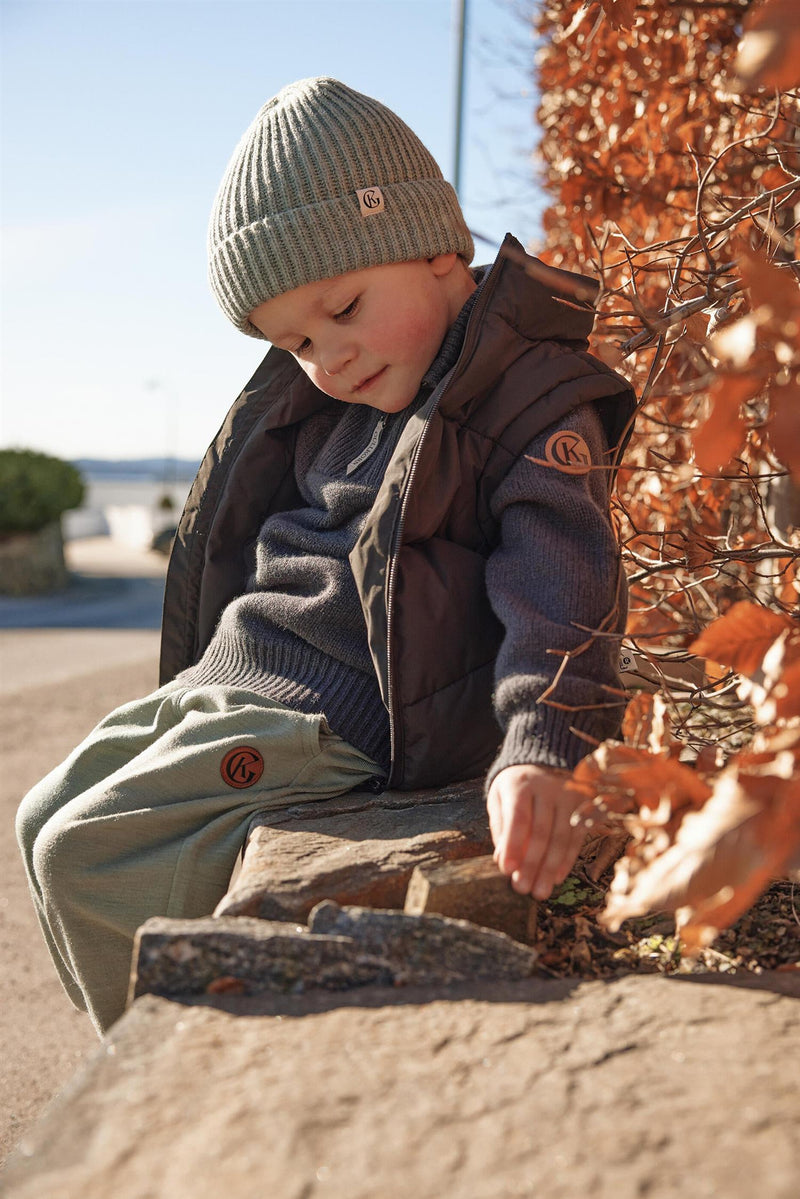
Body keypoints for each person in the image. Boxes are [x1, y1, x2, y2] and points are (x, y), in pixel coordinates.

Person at [16, 77, 636, 1034]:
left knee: (84, 856)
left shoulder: (530, 403)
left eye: (343, 307)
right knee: (40, 814)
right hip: (236, 678)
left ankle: (168, 1065)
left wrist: (543, 748)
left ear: (439, 249)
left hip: (329, 716)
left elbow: (565, 592)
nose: (329, 356)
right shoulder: (345, 401)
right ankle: (154, 1040)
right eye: (297, 341)